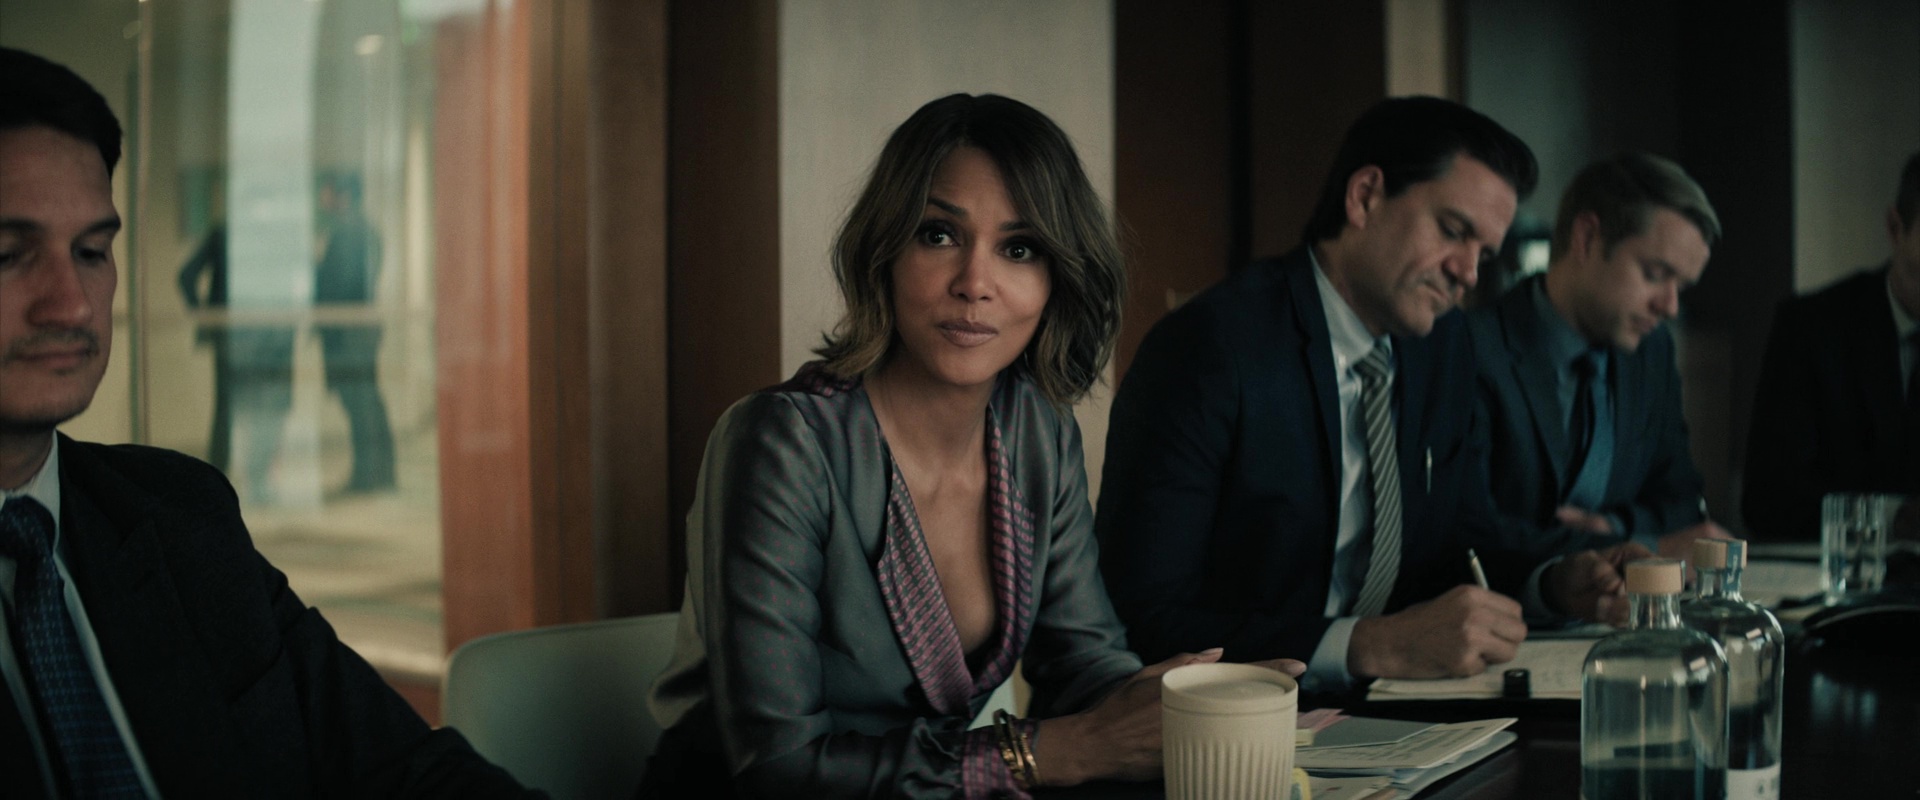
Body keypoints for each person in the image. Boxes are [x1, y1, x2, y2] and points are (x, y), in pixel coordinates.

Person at [642, 93, 1304, 797]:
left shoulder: (1038, 430)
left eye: (1019, 249)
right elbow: (777, 766)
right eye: (938, 235)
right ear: (883, 251)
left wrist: (1179, 704)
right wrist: (1047, 753)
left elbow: (1081, 662)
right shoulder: (780, 445)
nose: (974, 284)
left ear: (1057, 278)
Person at [0, 46, 531, 796]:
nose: (75, 305)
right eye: (7, 255)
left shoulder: (181, 517)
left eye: (91, 251)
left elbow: (398, 766)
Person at [1097, 96, 1642, 694]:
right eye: (1453, 231)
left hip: (1395, 712)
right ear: (1364, 197)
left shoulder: (1444, 345)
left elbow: (1467, 533)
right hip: (1243, 720)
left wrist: (1555, 583)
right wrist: (1367, 645)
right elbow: (1143, 615)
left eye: (1484, 254)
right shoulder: (1211, 347)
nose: (1468, 273)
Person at [1467, 152, 1732, 561]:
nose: (1670, 306)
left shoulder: (1652, 351)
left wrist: (1614, 527)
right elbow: (1471, 529)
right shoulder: (1475, 347)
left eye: (1681, 286)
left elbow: (1683, 502)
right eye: (1656, 274)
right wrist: (1639, 546)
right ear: (1587, 238)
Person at [1744, 152, 1920, 541]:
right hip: (1838, 571)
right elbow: (1767, 498)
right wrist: (1893, 517)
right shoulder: (1812, 328)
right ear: (1896, 228)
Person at [314, 173, 395, 493]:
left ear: (344, 195)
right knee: (365, 403)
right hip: (355, 333)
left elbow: (343, 286)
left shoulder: (350, 232)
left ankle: (369, 476)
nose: (323, 198)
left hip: (349, 334)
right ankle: (377, 474)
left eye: (328, 191)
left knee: (361, 404)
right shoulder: (360, 230)